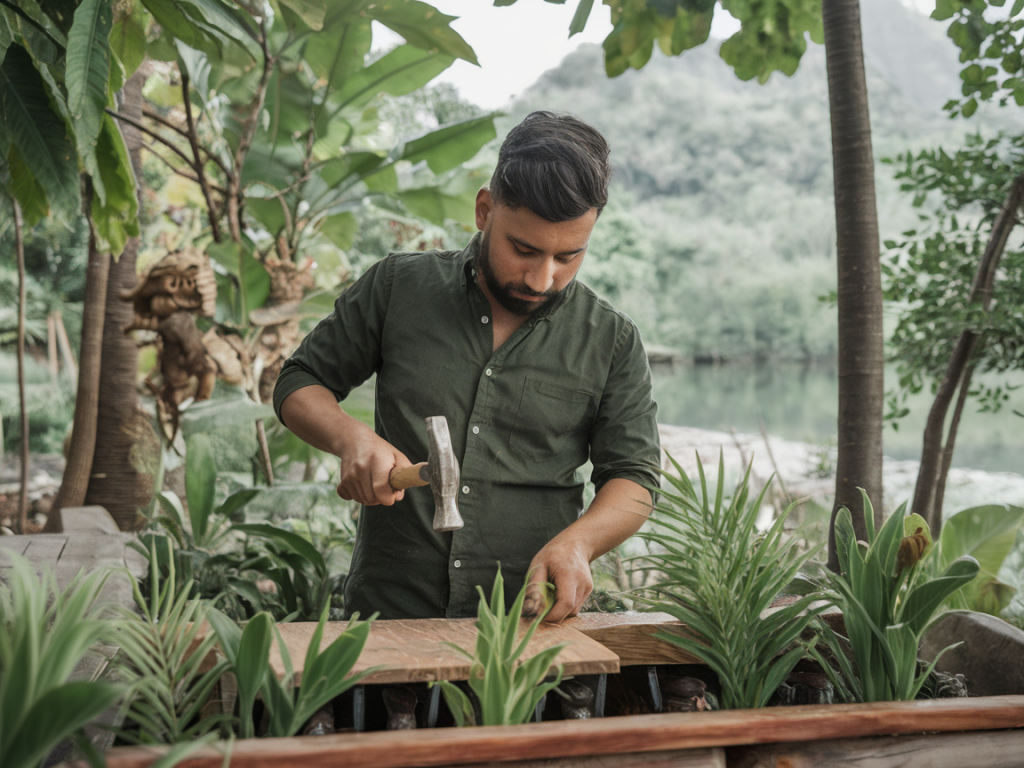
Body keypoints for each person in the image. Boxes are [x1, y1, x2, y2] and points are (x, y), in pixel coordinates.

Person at [273, 111, 660, 622]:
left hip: (528, 621)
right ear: (484, 210)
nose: (543, 278)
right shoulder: (397, 288)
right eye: (523, 249)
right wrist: (351, 438)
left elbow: (633, 478)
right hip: (393, 611)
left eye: (568, 256)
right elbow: (300, 381)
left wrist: (580, 544)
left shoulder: (612, 339)